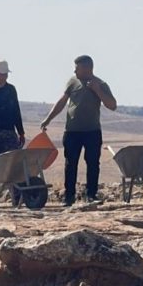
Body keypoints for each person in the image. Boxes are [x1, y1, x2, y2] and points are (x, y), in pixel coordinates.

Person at [39, 54, 117, 206]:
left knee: (93, 163)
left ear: (87, 68)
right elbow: (62, 101)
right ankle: (69, 197)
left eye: (77, 68)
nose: (75, 71)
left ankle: (91, 195)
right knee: (70, 164)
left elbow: (112, 105)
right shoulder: (72, 82)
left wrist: (97, 90)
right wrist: (48, 118)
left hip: (92, 131)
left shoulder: (100, 83)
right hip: (72, 131)